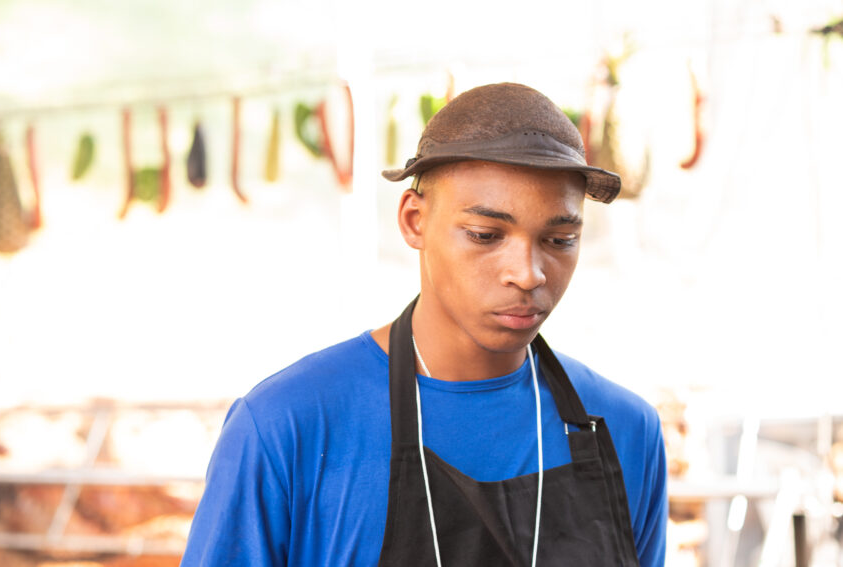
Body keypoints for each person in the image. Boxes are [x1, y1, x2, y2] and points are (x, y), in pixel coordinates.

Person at [181, 82, 667, 566]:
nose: (528, 274)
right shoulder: (286, 425)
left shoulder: (628, 429)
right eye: (485, 235)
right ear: (415, 221)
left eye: (559, 240)